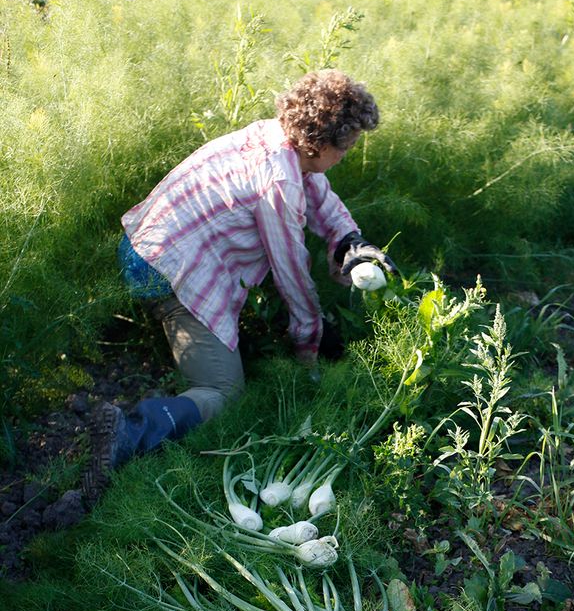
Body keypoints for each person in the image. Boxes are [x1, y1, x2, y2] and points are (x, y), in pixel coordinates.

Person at [82, 69, 396, 499]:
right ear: (322, 144)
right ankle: (131, 432)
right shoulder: (278, 181)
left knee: (234, 334)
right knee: (225, 393)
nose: (348, 153)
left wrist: (351, 241)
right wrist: (309, 345)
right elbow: (291, 274)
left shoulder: (276, 137)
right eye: (348, 144)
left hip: (150, 243)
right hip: (165, 268)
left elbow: (318, 192)